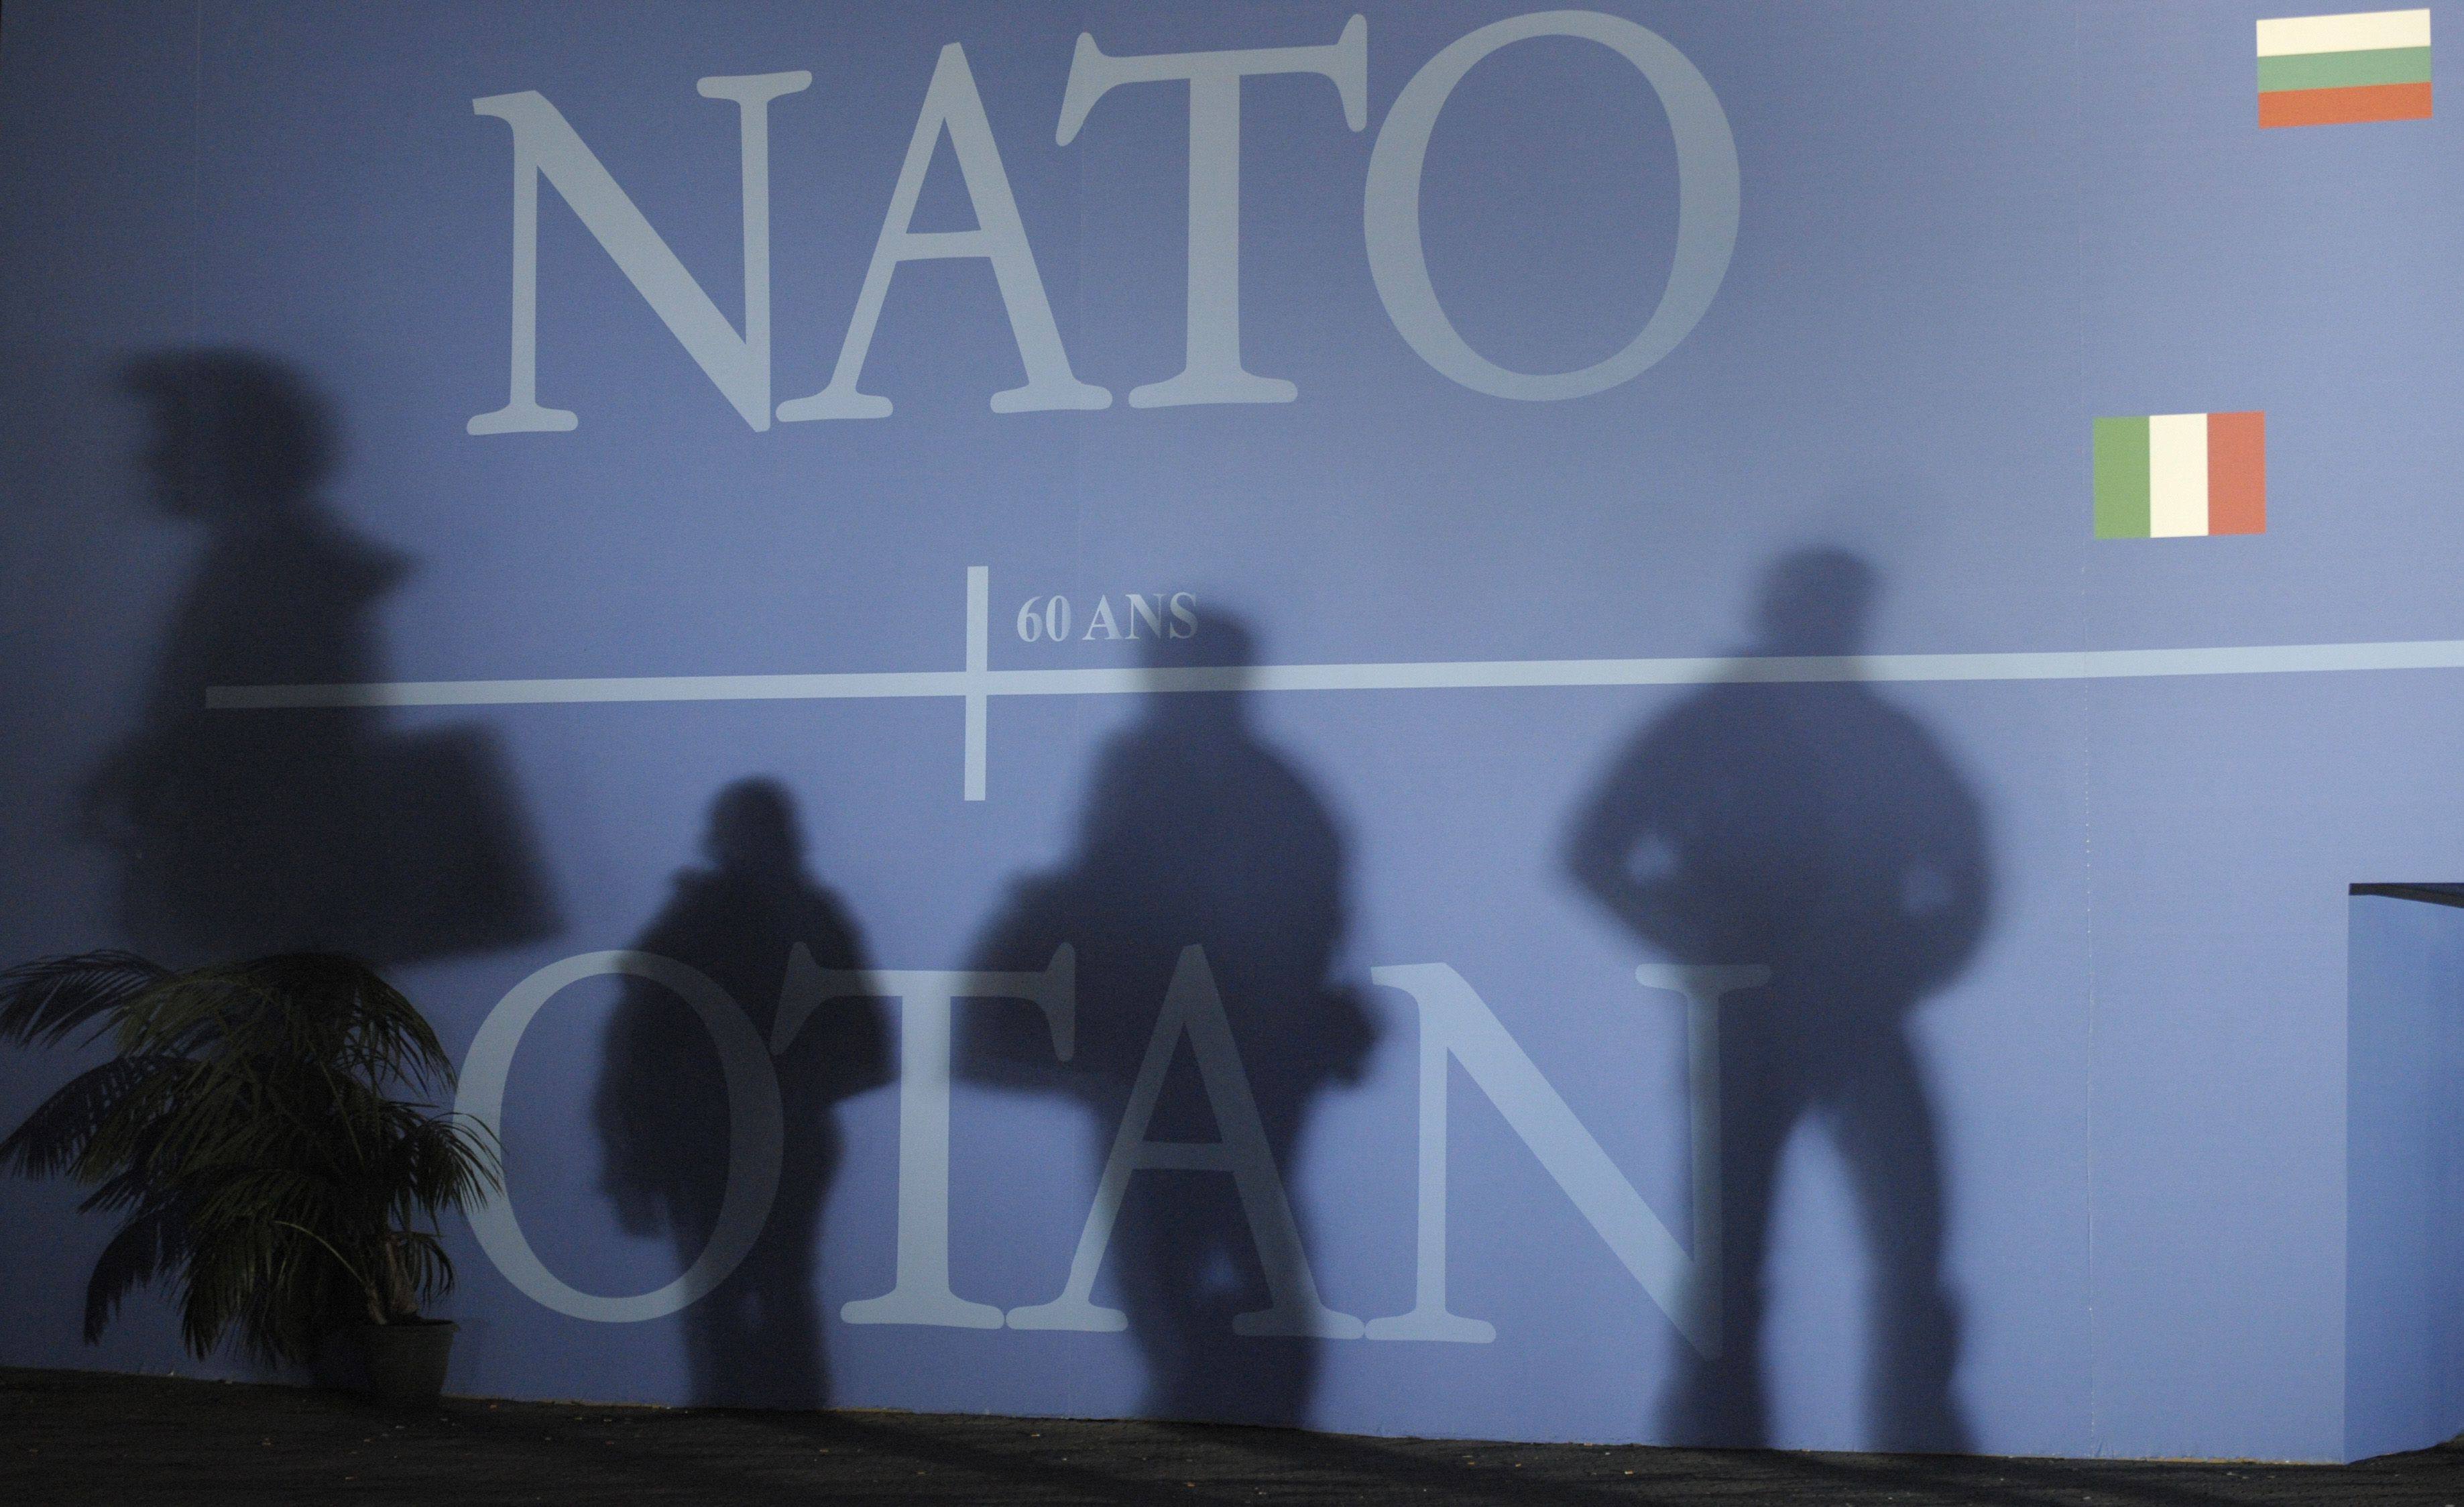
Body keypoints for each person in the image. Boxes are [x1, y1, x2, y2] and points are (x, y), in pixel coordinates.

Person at [1566, 549, 1987, 1451]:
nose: (1828, 624)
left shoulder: (1872, 732)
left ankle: (1911, 1444)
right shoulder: (1714, 727)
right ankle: (1724, 1450)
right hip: (1758, 1013)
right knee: (1738, 1263)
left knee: (1902, 1245)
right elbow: (1592, 851)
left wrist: (1917, 957)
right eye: (1818, 607)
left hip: (1851, 1010)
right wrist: (1698, 938)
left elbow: (1968, 866)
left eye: (1837, 609)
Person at [963, 612, 1374, 1426]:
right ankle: (1216, 1407)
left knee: (1230, 1259)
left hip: (1222, 1062)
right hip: (1161, 1056)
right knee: (1173, 1266)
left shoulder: (1260, 792)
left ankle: (1237, 1415)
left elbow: (1302, 928)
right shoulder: (1162, 775)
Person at [596, 778, 888, 1408]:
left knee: (748, 1296)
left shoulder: (720, 921)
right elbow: (634, 1050)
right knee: (754, 1295)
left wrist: (628, 1157)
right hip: (729, 1141)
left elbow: (632, 1052)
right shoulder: (780, 919)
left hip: (748, 1141)